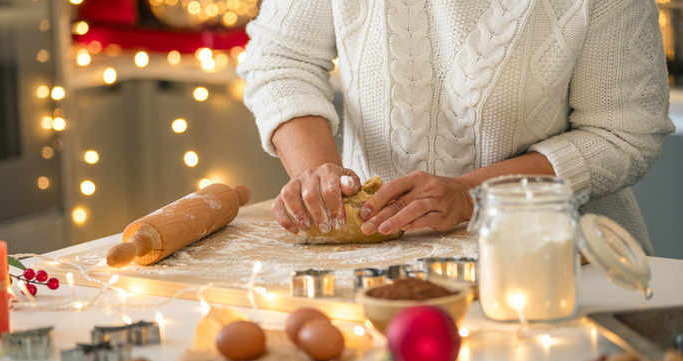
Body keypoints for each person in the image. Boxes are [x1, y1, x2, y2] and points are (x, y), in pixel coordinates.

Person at [237, 0, 675, 254]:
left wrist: (470, 195)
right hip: (367, 260)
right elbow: (281, 58)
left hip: (553, 262)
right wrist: (316, 171)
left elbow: (623, 134)